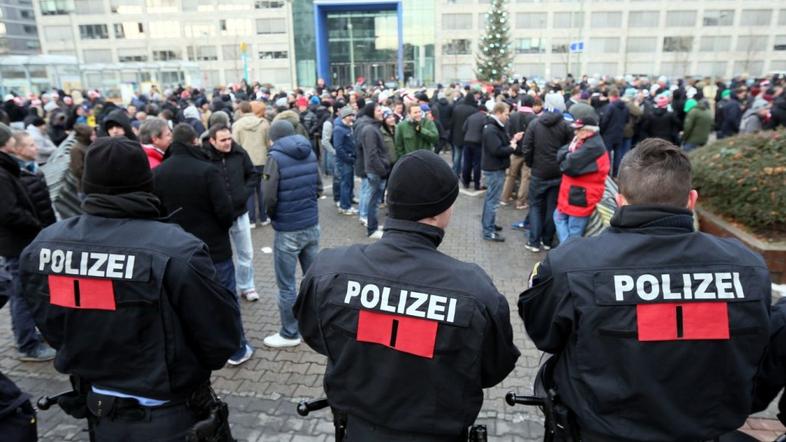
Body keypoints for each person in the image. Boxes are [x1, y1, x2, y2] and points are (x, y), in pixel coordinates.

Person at [519, 138, 771, 441]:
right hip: (703, 430)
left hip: (596, 430)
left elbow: (544, 333)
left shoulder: (572, 263)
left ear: (620, 201)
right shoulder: (748, 267)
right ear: (691, 200)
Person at [19, 137, 241, 441]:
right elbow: (221, 339)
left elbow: (50, 325)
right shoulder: (177, 250)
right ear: (147, 182)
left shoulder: (42, 247)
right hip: (170, 416)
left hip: (101, 412)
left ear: (86, 183)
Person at [294, 150, 520, 440]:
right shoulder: (475, 290)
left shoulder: (329, 269)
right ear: (441, 212)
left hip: (357, 428)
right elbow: (493, 369)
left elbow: (315, 334)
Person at [153, 124, 253, 366]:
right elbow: (224, 211)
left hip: (176, 252)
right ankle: (236, 348)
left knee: (188, 302)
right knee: (226, 298)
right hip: (214, 250)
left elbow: (157, 213)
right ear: (195, 141)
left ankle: (197, 347)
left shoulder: (158, 173)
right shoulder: (207, 171)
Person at [261, 120, 321, 348]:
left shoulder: (275, 157)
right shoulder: (308, 151)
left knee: (287, 285)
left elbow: (269, 196)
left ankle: (290, 333)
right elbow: (317, 186)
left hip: (288, 229)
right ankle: (315, 325)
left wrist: (273, 216)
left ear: (273, 137)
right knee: (313, 279)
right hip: (311, 225)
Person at [0, 123, 57, 362]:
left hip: (19, 240)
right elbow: (9, 211)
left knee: (26, 291)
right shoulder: (2, 173)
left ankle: (31, 335)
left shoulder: (6, 168)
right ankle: (27, 344)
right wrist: (34, 222)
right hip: (16, 242)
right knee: (21, 294)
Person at [203, 123, 260, 302]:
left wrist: (243, 193)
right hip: (216, 217)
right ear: (212, 141)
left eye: (229, 138)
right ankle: (222, 288)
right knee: (219, 257)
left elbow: (252, 174)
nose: (228, 143)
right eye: (223, 140)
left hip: (240, 213)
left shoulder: (239, 153)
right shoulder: (204, 157)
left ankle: (247, 286)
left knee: (246, 253)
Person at [521, 94, 573, 252]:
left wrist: (531, 164)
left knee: (535, 206)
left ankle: (534, 241)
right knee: (552, 206)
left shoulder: (535, 124)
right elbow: (570, 149)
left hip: (539, 172)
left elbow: (527, 147)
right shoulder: (565, 125)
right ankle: (547, 240)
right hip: (557, 173)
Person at [553, 103, 609, 243]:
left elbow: (566, 166)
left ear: (588, 131)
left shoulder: (593, 146)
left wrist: (565, 157)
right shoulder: (582, 142)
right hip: (574, 194)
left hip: (580, 196)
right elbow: (560, 155)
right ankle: (566, 250)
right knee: (560, 218)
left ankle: (567, 253)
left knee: (574, 232)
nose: (575, 133)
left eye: (578, 130)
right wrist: (566, 156)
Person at [481, 103, 522, 242]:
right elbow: (497, 150)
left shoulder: (496, 127)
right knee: (492, 200)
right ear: (498, 112)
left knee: (490, 199)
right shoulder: (491, 129)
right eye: (506, 114)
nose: (508, 116)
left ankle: (489, 224)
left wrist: (513, 140)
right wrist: (512, 147)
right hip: (494, 168)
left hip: (496, 167)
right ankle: (488, 231)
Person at [232, 101, 270, 228]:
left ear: (241, 111)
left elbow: (235, 144)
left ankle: (251, 220)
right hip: (263, 161)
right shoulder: (264, 123)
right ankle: (264, 217)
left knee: (249, 191)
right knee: (262, 189)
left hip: (246, 163)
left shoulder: (237, 125)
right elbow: (268, 143)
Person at [358, 103, 389, 238]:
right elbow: (372, 154)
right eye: (378, 110)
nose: (381, 111)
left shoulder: (374, 127)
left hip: (377, 169)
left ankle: (374, 225)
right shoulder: (370, 129)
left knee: (375, 200)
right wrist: (382, 169)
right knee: (374, 201)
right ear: (371, 112)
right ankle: (372, 229)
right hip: (375, 171)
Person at [501, 95, 537, 210]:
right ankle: (520, 202)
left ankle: (504, 198)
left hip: (515, 150)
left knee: (510, 175)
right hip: (528, 152)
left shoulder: (513, 116)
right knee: (525, 178)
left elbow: (508, 131)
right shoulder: (534, 118)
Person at [333, 107, 357, 215]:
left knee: (349, 182)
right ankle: (345, 206)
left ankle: (349, 200)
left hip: (350, 159)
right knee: (345, 183)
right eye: (349, 116)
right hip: (345, 161)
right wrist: (348, 158)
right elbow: (338, 147)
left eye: (352, 115)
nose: (351, 117)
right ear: (344, 117)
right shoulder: (339, 129)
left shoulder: (349, 127)